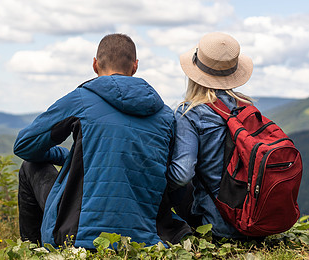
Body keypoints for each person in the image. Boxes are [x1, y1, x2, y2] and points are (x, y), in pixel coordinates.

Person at [14, 33, 189, 249]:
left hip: (76, 235)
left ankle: (32, 250)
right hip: (144, 239)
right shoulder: (164, 114)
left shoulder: (80, 99)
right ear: (135, 66)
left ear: (95, 64)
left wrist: (63, 156)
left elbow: (24, 145)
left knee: (30, 165)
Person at [166, 32, 254, 239]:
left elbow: (182, 174)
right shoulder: (247, 108)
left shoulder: (189, 113)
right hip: (253, 220)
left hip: (216, 226)